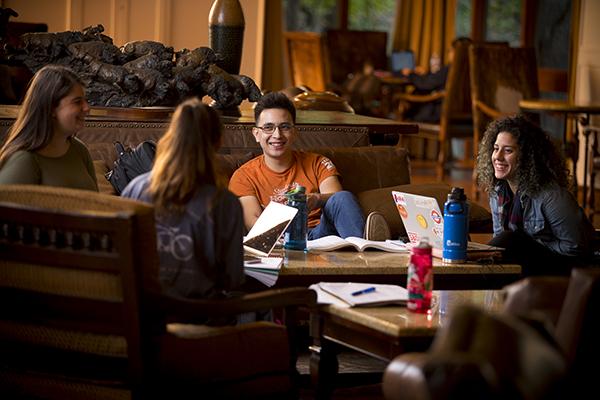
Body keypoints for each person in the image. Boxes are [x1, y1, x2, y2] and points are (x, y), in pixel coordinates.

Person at [122, 98, 245, 300]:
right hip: (200, 320)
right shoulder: (225, 203)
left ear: (171, 136)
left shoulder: (136, 188)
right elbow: (232, 278)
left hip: (143, 316)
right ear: (218, 141)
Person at [228, 91, 389, 241]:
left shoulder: (318, 163)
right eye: (268, 127)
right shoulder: (243, 176)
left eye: (284, 127)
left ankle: (364, 250)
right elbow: (255, 226)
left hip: (320, 235)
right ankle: (370, 246)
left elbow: (339, 201)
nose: (277, 135)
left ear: (295, 132)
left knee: (342, 197)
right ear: (256, 134)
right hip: (280, 238)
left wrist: (317, 199)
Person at [476, 114, 595, 276]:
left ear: (527, 157)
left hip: (565, 268)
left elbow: (576, 248)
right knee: (504, 244)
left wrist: (529, 246)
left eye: (508, 150)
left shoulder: (551, 196)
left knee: (511, 240)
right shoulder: (498, 193)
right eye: (496, 149)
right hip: (526, 264)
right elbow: (499, 243)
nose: (497, 157)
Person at [0, 65, 98, 191]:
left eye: (85, 100)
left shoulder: (80, 150)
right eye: (77, 102)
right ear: (51, 107)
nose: (87, 108)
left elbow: (97, 202)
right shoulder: (24, 159)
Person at [396, 38, 471, 123]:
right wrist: (426, 73)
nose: (449, 54)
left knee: (409, 102)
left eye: (450, 51)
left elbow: (425, 84)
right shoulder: (474, 72)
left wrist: (410, 74)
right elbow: (435, 80)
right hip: (467, 120)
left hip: (439, 116)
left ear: (455, 52)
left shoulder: (450, 69)